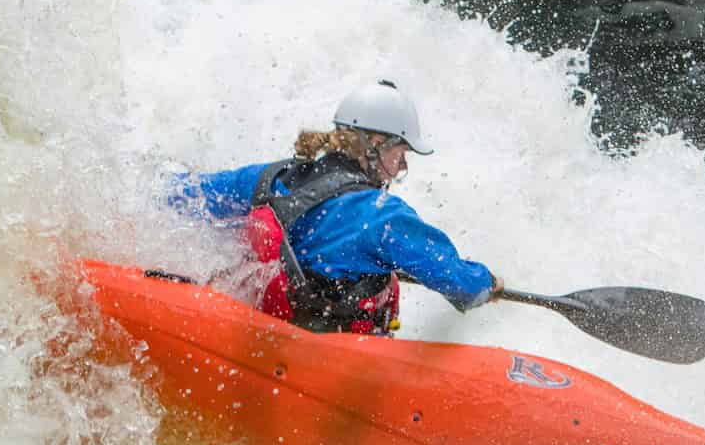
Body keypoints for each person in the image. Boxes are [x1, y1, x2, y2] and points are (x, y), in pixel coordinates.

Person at [169, 80, 502, 335]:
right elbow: (459, 282)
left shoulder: (270, 178)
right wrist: (487, 283)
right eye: (400, 153)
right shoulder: (382, 216)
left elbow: (188, 198)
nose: (402, 167)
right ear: (375, 145)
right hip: (320, 357)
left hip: (257, 331)